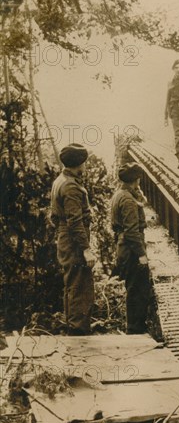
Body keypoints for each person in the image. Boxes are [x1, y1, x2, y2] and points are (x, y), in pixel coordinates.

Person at [50, 143, 95, 335]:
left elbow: (54, 216)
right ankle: (78, 330)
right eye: (84, 163)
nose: (85, 167)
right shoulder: (70, 186)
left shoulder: (60, 180)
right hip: (74, 240)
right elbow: (75, 222)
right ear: (79, 164)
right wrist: (86, 249)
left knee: (72, 282)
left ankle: (73, 325)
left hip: (66, 238)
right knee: (80, 284)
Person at [111, 162, 151, 334]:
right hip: (131, 249)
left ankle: (136, 328)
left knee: (134, 288)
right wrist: (141, 254)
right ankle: (136, 330)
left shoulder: (121, 194)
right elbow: (131, 232)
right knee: (138, 290)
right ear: (136, 180)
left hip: (124, 247)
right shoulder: (127, 200)